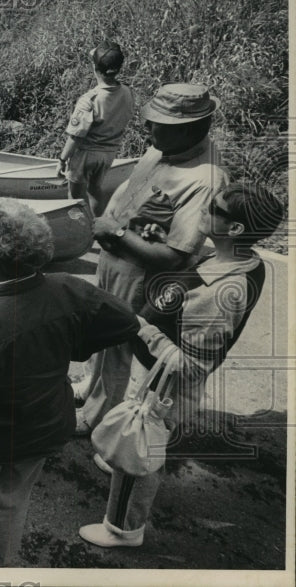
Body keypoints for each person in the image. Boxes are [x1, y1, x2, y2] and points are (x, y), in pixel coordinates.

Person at [0, 199, 139, 567]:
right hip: (43, 425)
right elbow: (126, 322)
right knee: (9, 505)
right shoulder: (69, 289)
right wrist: (75, 346)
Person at [79, 181, 284, 549]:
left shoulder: (220, 296)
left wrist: (138, 326)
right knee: (142, 442)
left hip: (167, 385)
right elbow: (201, 264)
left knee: (142, 444)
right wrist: (166, 243)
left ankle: (123, 529)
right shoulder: (237, 258)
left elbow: (191, 366)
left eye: (213, 209)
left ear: (235, 228)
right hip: (158, 376)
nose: (204, 210)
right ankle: (125, 464)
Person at [75, 83, 229, 435]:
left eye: (156, 123)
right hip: (115, 258)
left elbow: (175, 257)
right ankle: (91, 387)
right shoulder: (162, 148)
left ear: (188, 130)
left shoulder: (205, 179)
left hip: (141, 275)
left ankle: (100, 418)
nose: (147, 129)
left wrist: (114, 232)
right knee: (100, 330)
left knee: (120, 342)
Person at [58, 41, 135, 216]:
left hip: (86, 154)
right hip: (109, 153)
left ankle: (81, 230)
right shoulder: (127, 92)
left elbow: (75, 137)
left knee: (75, 195)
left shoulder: (90, 99)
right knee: (95, 189)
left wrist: (62, 159)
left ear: (95, 68)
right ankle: (98, 225)